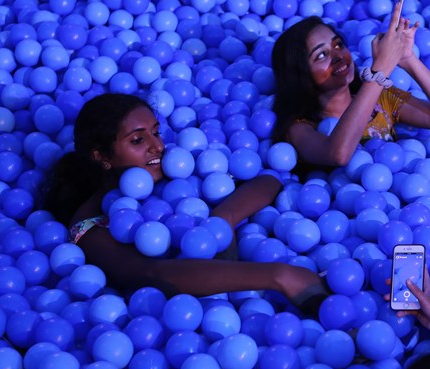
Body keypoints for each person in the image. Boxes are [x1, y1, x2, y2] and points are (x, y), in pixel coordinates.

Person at [44, 93, 327, 308]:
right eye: (137, 140)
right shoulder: (88, 226)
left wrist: (222, 219)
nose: (157, 146)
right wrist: (277, 275)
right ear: (102, 157)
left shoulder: (175, 171)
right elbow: (150, 273)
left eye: (156, 132)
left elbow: (269, 181)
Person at [271, 0, 430, 168]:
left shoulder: (382, 101)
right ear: (300, 75)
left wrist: (407, 59)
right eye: (321, 56)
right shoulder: (300, 128)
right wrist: (380, 69)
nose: (338, 56)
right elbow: (338, 155)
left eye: (338, 45)